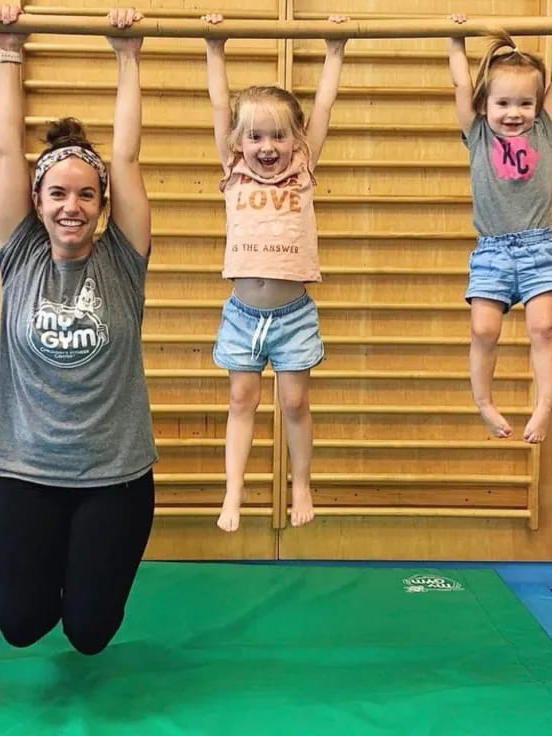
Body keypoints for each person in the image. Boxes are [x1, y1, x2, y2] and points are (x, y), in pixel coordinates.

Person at [0, 5, 157, 655]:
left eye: (86, 194)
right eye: (58, 193)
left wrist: (128, 56)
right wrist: (8, 48)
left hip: (113, 477)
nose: (72, 207)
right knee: (23, 626)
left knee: (89, 633)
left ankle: (90, 578)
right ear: (37, 201)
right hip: (28, 472)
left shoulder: (123, 260)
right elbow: (7, 148)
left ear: (103, 204)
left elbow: (127, 155)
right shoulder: (20, 254)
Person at [200, 13, 348, 532]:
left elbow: (325, 107)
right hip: (242, 314)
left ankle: (301, 483)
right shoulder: (234, 171)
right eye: (256, 137)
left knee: (295, 401)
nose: (267, 147)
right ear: (240, 142)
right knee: (241, 400)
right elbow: (221, 107)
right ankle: (234, 492)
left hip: (293, 314)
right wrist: (215, 49)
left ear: (296, 141)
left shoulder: (303, 171)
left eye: (279, 137)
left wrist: (334, 50)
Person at [448, 11, 552, 444]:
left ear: (537, 107)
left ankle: (543, 407)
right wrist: (455, 42)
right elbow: (460, 85)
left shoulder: (543, 129)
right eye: (503, 104)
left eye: (525, 103)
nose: (514, 113)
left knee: (544, 327)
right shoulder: (477, 134)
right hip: (491, 250)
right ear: (484, 105)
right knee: (483, 330)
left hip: (539, 245)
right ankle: (484, 402)